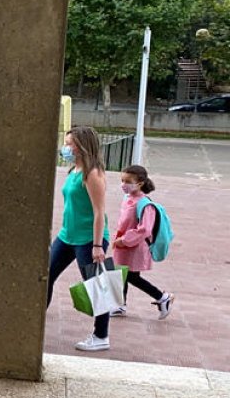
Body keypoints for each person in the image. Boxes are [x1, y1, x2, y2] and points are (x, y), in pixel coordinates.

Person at [45, 127, 112, 351]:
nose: (66, 148)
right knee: (45, 275)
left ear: (82, 146)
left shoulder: (92, 173)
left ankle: (101, 336)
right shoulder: (74, 169)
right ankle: (32, 320)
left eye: (69, 144)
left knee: (97, 286)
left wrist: (96, 245)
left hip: (88, 239)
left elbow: (98, 211)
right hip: (67, 236)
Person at [111, 165, 175, 319]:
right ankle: (120, 304)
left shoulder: (145, 204)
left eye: (128, 181)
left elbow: (144, 230)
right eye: (122, 180)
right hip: (123, 245)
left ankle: (161, 297)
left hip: (133, 247)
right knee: (121, 273)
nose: (123, 184)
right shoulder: (128, 199)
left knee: (131, 276)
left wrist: (124, 240)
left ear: (139, 183)